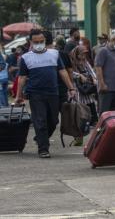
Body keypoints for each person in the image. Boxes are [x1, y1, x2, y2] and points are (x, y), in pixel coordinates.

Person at [14, 29, 76, 158]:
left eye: (41, 41)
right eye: (36, 42)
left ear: (45, 41)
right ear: (31, 42)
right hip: (35, 94)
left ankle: (41, 138)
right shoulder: (26, 58)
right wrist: (18, 96)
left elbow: (62, 72)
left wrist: (71, 88)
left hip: (53, 93)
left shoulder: (54, 54)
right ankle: (43, 148)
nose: (39, 44)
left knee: (53, 121)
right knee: (40, 120)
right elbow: (22, 78)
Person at [69, 46, 98, 146]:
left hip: (87, 92)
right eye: (81, 54)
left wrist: (94, 79)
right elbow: (69, 73)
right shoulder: (71, 62)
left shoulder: (85, 62)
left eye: (84, 53)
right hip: (77, 92)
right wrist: (79, 75)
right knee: (79, 116)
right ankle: (78, 137)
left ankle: (90, 136)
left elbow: (92, 71)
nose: (83, 56)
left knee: (92, 114)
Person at [95, 33, 115, 114]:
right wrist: (102, 84)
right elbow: (98, 68)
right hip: (107, 89)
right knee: (105, 113)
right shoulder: (103, 51)